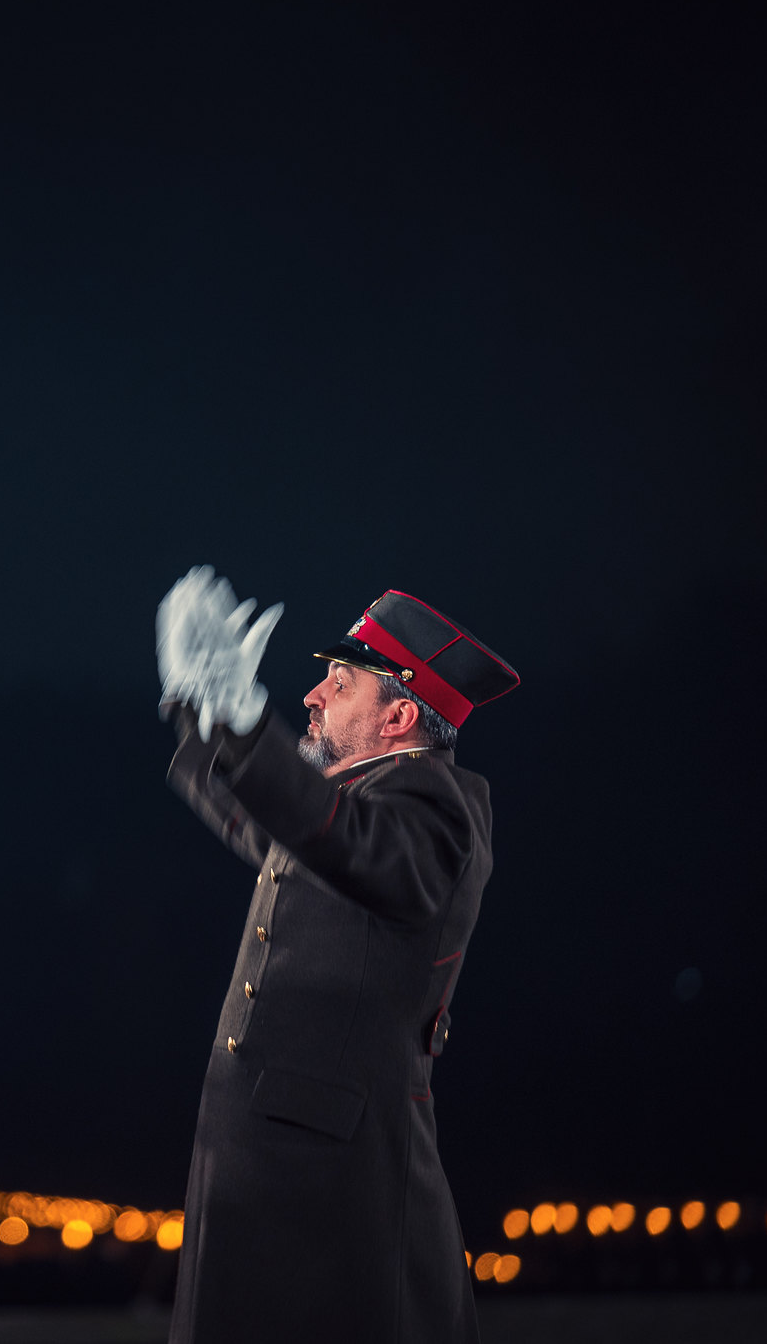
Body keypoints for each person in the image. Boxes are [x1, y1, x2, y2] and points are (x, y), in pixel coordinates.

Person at [154, 571, 520, 1344]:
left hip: (328, 1182)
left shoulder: (437, 808)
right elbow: (268, 823)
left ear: (398, 714)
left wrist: (252, 724)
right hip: (274, 1162)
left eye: (339, 682)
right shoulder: (352, 805)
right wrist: (202, 707)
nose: (314, 696)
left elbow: (340, 837)